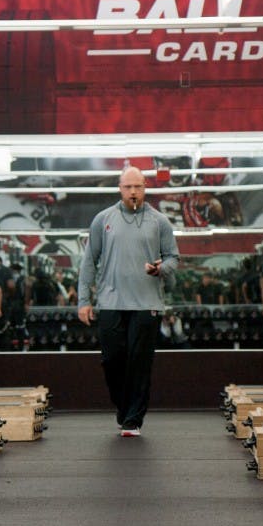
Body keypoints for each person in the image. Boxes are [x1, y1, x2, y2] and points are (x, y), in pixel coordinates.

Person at [78, 166, 179, 437]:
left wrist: (161, 269)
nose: (133, 192)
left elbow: (173, 258)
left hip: (147, 302)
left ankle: (132, 419)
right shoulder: (103, 219)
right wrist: (83, 301)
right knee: (112, 360)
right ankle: (125, 409)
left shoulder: (160, 222)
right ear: (120, 188)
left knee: (140, 362)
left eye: (138, 187)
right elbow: (89, 261)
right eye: (128, 187)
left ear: (145, 187)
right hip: (110, 301)